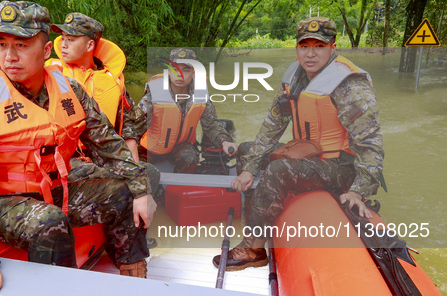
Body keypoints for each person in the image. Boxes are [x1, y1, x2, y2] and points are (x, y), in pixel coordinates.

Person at [0, 1, 155, 296]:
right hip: (5, 201)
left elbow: (107, 143)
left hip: (58, 184)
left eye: (21, 45)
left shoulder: (68, 89)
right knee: (49, 222)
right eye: (1, 45)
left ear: (46, 50)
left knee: (122, 189)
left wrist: (140, 188)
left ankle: (134, 273)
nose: (9, 55)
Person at [214, 17, 385, 271]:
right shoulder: (294, 77)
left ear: (333, 47)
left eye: (319, 46)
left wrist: (358, 190)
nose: (311, 54)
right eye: (305, 46)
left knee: (278, 169)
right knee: (249, 150)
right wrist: (250, 167)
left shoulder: (350, 84)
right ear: (297, 48)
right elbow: (272, 127)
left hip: (339, 166)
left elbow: (370, 143)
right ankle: (258, 218)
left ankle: (254, 249)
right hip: (307, 153)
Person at [48, 12, 160, 248]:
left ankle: (131, 236)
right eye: (63, 37)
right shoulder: (49, 73)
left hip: (105, 154)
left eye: (72, 38)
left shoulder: (114, 80)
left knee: (149, 174)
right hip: (67, 159)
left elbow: (128, 129)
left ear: (90, 44)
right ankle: (116, 239)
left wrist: (136, 171)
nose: (63, 43)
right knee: (124, 185)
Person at [139, 48, 237, 174]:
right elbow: (137, 124)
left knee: (191, 158)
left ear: (194, 73)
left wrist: (224, 141)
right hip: (151, 149)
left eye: (185, 70)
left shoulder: (200, 93)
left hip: (181, 145)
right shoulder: (154, 92)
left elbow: (211, 123)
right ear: (169, 71)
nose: (179, 74)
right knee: (139, 169)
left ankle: (177, 190)